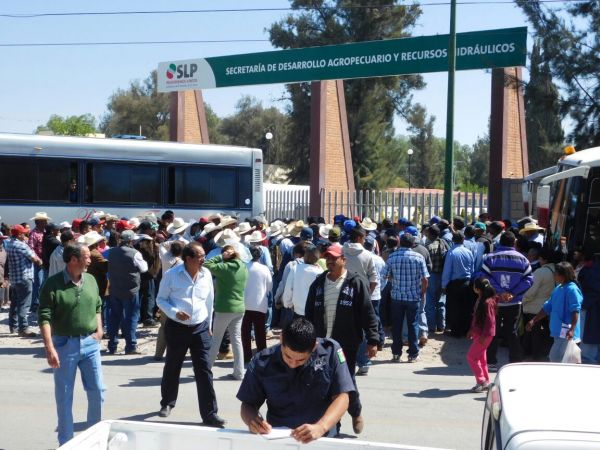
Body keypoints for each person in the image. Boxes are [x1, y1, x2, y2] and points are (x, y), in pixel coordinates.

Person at [237, 318, 355, 443]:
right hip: (279, 438)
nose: (293, 364)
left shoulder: (331, 352)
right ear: (281, 339)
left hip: (322, 437)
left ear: (314, 347)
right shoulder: (262, 362)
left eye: (300, 360)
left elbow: (342, 397)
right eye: (287, 356)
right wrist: (253, 421)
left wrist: (321, 426)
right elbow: (248, 404)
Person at [305, 243, 379, 435]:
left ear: (343, 260)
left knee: (347, 382)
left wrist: (373, 339)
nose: (330, 261)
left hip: (346, 344)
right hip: (321, 344)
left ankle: (356, 412)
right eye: (327, 258)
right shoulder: (319, 283)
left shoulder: (355, 283)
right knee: (322, 382)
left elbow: (367, 313)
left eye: (334, 258)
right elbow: (308, 314)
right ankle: (332, 425)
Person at [38, 244, 105, 446]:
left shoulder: (91, 280)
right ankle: (66, 442)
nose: (91, 260)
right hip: (64, 345)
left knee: (98, 391)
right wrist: (49, 347)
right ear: (74, 260)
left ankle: (94, 438)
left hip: (90, 344)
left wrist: (99, 330)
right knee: (65, 396)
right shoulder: (53, 284)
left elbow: (98, 305)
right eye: (87, 256)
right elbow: (44, 316)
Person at [156, 242, 225, 428]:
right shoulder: (172, 275)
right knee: (173, 366)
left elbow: (209, 301)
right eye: (201, 256)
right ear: (188, 258)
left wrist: (209, 324)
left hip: (200, 327)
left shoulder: (206, 274)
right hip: (177, 327)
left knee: (204, 370)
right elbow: (160, 299)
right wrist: (174, 312)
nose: (204, 259)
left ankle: (210, 414)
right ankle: (167, 403)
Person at [481, 231, 533, 368]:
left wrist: (500, 292)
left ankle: (491, 360)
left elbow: (484, 278)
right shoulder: (523, 259)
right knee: (513, 331)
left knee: (493, 331)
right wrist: (512, 293)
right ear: (514, 243)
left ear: (500, 242)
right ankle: (515, 360)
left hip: (495, 302)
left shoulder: (489, 258)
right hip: (514, 303)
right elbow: (528, 280)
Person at [381, 233, 429, 362]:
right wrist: (422, 292)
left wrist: (393, 278)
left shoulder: (392, 257)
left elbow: (384, 275)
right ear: (413, 244)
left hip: (396, 297)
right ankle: (413, 354)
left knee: (396, 326)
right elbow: (425, 279)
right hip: (413, 297)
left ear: (400, 243)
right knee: (413, 325)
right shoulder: (419, 257)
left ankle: (396, 354)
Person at [205, 244, 248, 380]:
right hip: (239, 307)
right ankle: (239, 372)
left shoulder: (224, 268)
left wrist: (220, 256)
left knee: (216, 339)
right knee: (236, 340)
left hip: (224, 307)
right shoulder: (243, 267)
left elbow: (207, 264)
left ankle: (206, 370)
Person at [526, 262, 583, 363]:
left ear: (563, 275)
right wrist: (533, 320)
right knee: (558, 360)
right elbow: (547, 307)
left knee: (556, 359)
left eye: (556, 273)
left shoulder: (572, 289)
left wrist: (572, 330)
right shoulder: (558, 288)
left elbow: (575, 310)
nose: (554, 275)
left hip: (567, 333)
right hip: (558, 332)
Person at [106, 229, 148, 355]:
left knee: (114, 317)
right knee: (131, 317)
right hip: (131, 289)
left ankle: (112, 345)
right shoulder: (135, 253)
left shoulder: (110, 252)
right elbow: (144, 269)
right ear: (131, 240)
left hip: (114, 288)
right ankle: (130, 346)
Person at [7, 224, 43, 336]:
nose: (26, 234)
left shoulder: (9, 244)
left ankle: (13, 326)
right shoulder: (21, 245)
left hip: (15, 278)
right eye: (24, 233)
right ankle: (23, 328)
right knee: (24, 304)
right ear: (19, 234)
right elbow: (35, 259)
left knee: (15, 303)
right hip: (24, 277)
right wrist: (40, 262)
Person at [521, 248, 555, 360]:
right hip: (548, 306)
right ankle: (534, 352)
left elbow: (531, 291)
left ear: (544, 259)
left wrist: (523, 299)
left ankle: (534, 355)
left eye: (540, 258)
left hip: (535, 306)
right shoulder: (556, 270)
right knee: (540, 332)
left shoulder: (540, 272)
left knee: (533, 331)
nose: (539, 260)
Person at [466, 278, 498, 393]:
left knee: (471, 357)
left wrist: (484, 336)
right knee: (481, 358)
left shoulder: (487, 302)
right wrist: (471, 330)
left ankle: (481, 381)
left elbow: (490, 321)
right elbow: (476, 317)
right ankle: (486, 382)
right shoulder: (482, 299)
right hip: (480, 334)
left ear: (477, 289)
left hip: (484, 335)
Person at [242, 246, 273, 363]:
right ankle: (262, 355)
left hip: (244, 304)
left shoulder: (244, 267)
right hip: (260, 304)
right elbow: (270, 286)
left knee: (245, 332)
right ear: (260, 256)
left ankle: (246, 356)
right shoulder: (264, 269)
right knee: (260, 331)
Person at [154, 241, 184, 361]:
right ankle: (174, 352)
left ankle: (158, 353)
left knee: (163, 326)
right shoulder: (181, 263)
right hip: (176, 295)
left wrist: (172, 242)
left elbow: (161, 245)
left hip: (164, 292)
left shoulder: (165, 258)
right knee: (177, 326)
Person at [442, 232, 475, 337]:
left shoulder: (451, 252)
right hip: (467, 282)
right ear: (463, 239)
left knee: (454, 308)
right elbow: (472, 269)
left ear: (453, 240)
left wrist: (444, 285)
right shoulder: (468, 252)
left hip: (454, 284)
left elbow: (447, 271)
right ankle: (465, 330)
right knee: (466, 307)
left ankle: (455, 332)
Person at [283, 243, 323, 318]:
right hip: (313, 311)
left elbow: (289, 288)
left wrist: (287, 303)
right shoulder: (320, 272)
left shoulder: (295, 269)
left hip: (297, 310)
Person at [136, 221, 161, 327]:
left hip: (138, 272)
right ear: (147, 229)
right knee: (149, 295)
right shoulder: (146, 241)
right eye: (152, 228)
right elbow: (150, 256)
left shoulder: (135, 239)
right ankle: (147, 318)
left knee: (140, 295)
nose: (154, 230)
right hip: (148, 273)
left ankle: (138, 317)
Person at [424, 225, 449, 333]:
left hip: (431, 276)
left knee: (430, 302)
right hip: (443, 275)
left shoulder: (427, 246)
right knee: (441, 301)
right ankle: (441, 325)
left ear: (429, 234)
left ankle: (431, 326)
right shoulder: (443, 243)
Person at [578, 252, 600, 364]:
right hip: (593, 306)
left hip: (590, 307)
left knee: (588, 333)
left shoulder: (588, 271)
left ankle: (588, 359)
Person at [28, 211, 50, 312]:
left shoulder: (45, 232)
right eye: (44, 221)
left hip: (44, 261)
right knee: (39, 283)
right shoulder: (34, 233)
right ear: (39, 222)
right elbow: (31, 249)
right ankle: (35, 305)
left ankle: (38, 303)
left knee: (43, 282)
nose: (46, 222)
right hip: (39, 262)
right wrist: (38, 260)